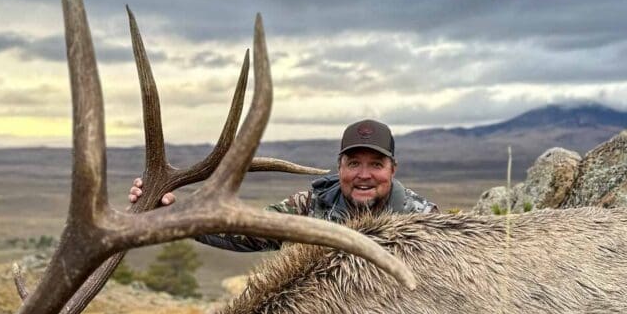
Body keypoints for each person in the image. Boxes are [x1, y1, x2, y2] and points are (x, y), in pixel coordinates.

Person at [129, 118, 437, 252]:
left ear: (393, 169)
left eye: (376, 164)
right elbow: (246, 231)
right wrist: (167, 212)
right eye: (354, 163)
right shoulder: (310, 205)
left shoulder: (426, 221)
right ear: (340, 166)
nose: (364, 175)